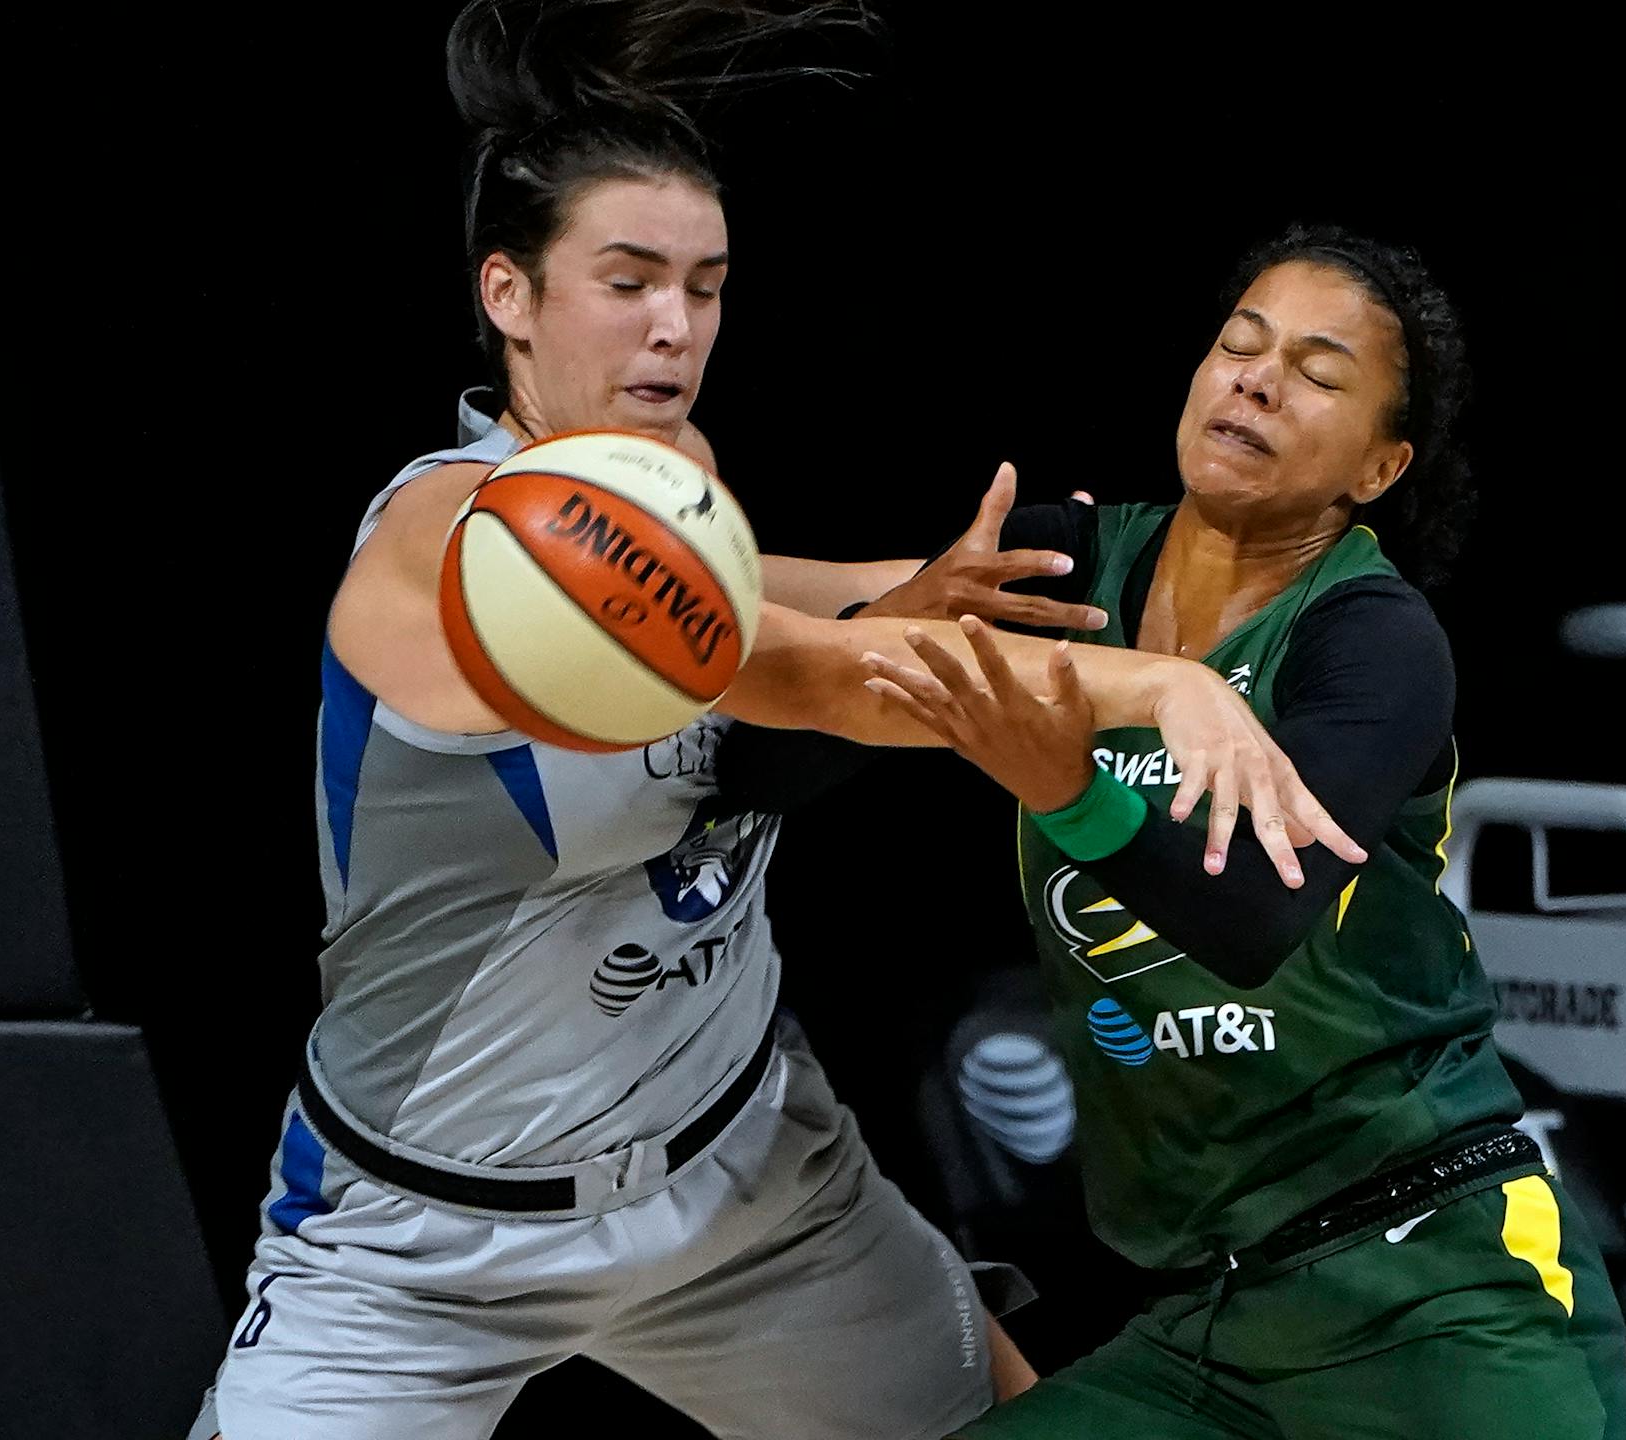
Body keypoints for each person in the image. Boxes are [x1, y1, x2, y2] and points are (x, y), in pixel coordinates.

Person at [188, 7, 1357, 1438]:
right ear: (510, 294)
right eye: (627, 283)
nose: (676, 327)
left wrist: (932, 587)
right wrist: (1160, 690)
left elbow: (789, 607)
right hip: (426, 1239)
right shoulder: (446, 539)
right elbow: (821, 678)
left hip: (743, 1186)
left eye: (706, 285)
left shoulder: (675, 479)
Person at [864, 222, 1626, 1440]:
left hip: (1437, 1287)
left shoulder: (1372, 641)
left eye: (1319, 373)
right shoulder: (1065, 569)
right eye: (1239, 343)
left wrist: (1071, 785)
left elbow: (1252, 910)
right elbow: (806, 684)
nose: (1258, 378)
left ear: (1378, 469)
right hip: (1211, 1325)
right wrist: (865, 620)